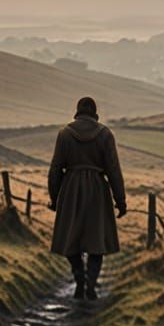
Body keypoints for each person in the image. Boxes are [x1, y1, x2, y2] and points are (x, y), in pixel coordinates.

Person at [47, 96, 126, 300]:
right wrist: (120, 201)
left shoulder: (65, 134)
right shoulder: (105, 134)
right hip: (98, 191)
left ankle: (79, 279)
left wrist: (54, 198)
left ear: (78, 111)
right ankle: (90, 284)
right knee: (96, 242)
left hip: (71, 189)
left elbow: (55, 169)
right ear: (94, 113)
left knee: (70, 239)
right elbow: (114, 170)